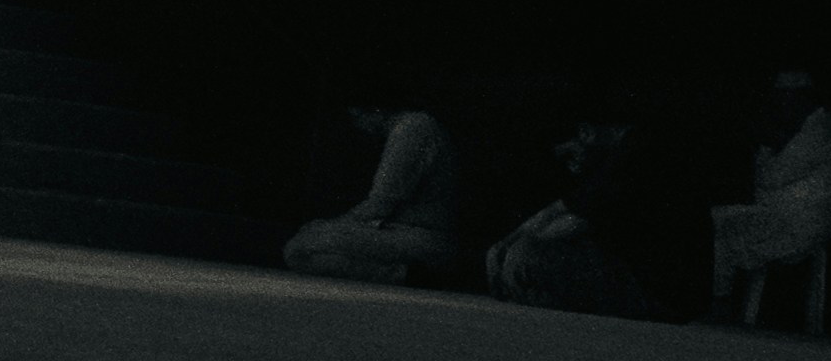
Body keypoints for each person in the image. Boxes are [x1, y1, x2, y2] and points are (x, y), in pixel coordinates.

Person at [487, 115, 662, 318]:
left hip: (652, 290)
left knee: (526, 256)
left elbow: (576, 222)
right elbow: (556, 210)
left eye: (569, 155)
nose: (571, 166)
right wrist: (503, 245)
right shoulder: (612, 159)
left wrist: (511, 250)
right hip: (640, 280)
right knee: (520, 252)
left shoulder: (633, 155)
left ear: (585, 133)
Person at [711, 71, 831, 325]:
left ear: (796, 98)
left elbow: (767, 179)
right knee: (719, 218)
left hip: (796, 227)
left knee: (720, 227)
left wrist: (765, 148)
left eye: (782, 99)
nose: (778, 107)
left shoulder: (816, 133)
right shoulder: (817, 128)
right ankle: (719, 299)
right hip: (793, 219)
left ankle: (719, 302)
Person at [281, 96, 464, 284]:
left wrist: (335, 225)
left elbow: (382, 202)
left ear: (376, 111)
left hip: (421, 238)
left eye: (358, 117)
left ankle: (406, 275)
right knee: (309, 239)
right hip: (412, 233)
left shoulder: (412, 128)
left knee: (299, 249)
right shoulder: (413, 127)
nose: (358, 126)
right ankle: (406, 273)